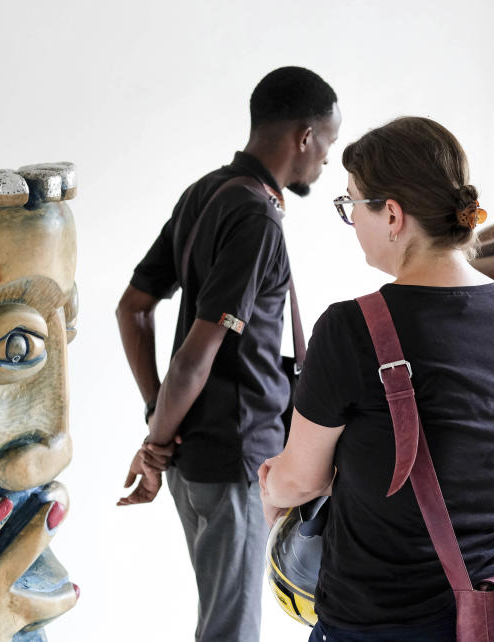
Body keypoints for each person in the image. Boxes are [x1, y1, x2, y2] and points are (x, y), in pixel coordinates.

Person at [259, 117, 494, 641]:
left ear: (391, 214)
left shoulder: (351, 328)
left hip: (379, 622)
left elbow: (302, 478)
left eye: (352, 205)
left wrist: (270, 482)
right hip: (491, 616)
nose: (351, 221)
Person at [115, 67, 340, 642]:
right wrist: (155, 444)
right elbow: (195, 355)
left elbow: (133, 308)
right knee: (231, 631)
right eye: (329, 145)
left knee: (223, 621)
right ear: (304, 136)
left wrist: (158, 420)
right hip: (233, 458)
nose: (325, 163)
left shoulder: (206, 193)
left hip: (199, 458)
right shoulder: (255, 216)